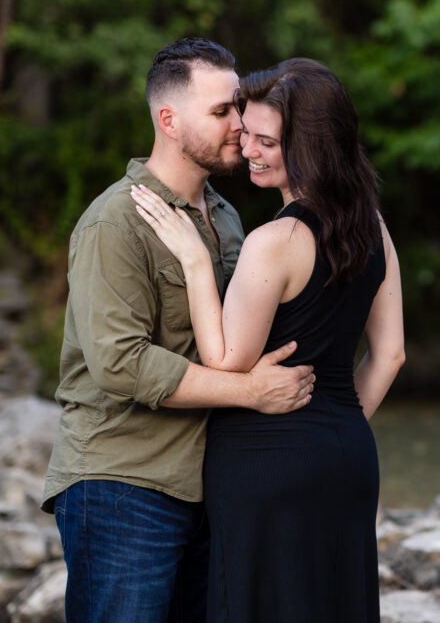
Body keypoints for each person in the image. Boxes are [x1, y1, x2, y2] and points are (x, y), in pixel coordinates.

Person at [41, 38, 316, 623]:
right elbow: (121, 364)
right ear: (168, 119)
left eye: (238, 108)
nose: (240, 125)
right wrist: (251, 393)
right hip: (123, 484)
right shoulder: (114, 222)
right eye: (221, 112)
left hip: (209, 485)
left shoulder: (228, 217)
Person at [130, 57, 405, 622]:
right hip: (349, 455)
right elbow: (392, 354)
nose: (248, 149)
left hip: (264, 463)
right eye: (245, 133)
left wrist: (195, 262)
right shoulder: (374, 225)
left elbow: (228, 360)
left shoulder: (274, 239)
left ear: (311, 147)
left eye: (266, 141)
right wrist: (335, 425)